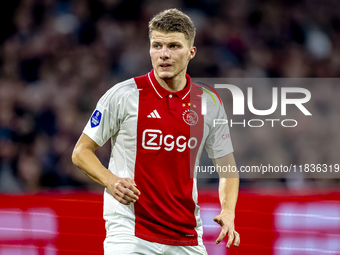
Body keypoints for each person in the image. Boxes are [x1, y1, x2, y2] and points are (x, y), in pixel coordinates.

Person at [72, 8, 240, 255]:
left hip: (186, 235)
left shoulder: (209, 102)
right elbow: (80, 152)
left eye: (173, 46)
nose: (164, 54)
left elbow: (227, 166)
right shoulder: (123, 95)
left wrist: (227, 211)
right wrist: (111, 181)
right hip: (130, 233)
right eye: (157, 46)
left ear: (191, 52)